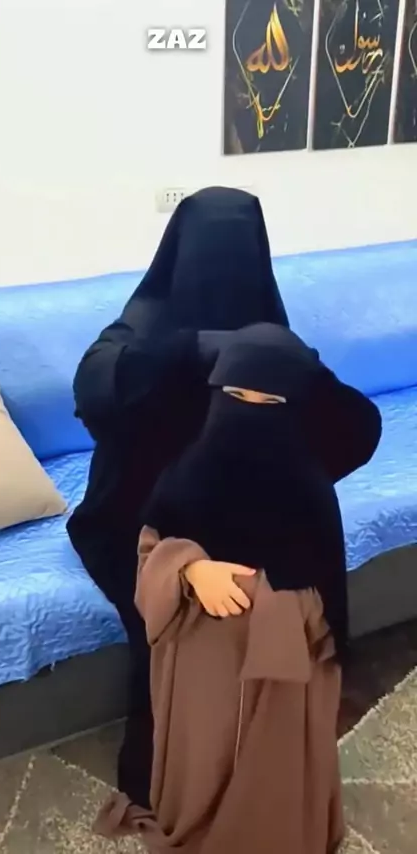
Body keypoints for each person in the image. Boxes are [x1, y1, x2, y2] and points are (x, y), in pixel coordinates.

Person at [96, 323, 382, 854]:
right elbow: (151, 548)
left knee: (271, 758)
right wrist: (190, 569)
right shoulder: (186, 473)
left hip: (280, 664)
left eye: (269, 401)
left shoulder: (308, 487)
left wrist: (271, 604)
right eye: (235, 395)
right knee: (203, 743)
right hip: (198, 654)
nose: (249, 411)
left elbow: (326, 597)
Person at [67, 187, 289, 808]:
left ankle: (248, 758)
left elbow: (317, 423)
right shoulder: (138, 328)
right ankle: (162, 779)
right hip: (134, 519)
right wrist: (188, 351)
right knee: (167, 623)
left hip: (231, 509)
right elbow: (94, 393)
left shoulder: (270, 330)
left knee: (269, 602)